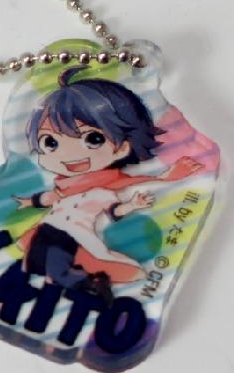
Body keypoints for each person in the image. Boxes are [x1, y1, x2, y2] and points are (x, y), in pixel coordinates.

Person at [15, 68, 203, 304]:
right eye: (50, 142)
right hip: (48, 228)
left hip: (73, 236)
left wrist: (135, 203)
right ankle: (47, 292)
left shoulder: (107, 188)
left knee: (58, 270)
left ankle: (93, 284)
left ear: (122, 147)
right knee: (34, 263)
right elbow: (50, 198)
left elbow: (115, 210)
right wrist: (29, 201)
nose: (69, 154)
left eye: (92, 139)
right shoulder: (65, 184)